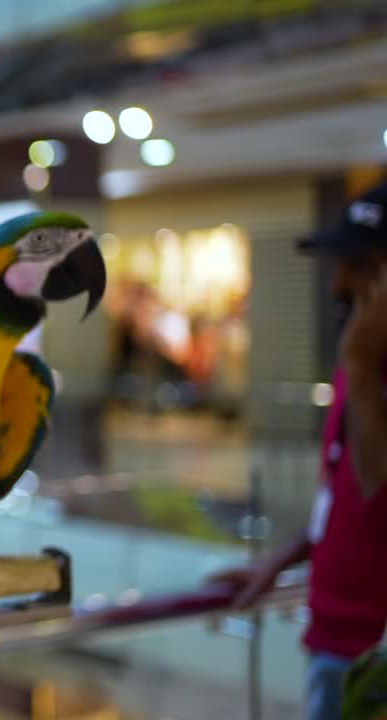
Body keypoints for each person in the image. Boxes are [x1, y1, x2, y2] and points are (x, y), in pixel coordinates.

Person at [207, 180, 387, 719]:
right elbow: (343, 490)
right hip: (333, 637)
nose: (337, 285)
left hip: (371, 652)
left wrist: (358, 365)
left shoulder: (361, 362)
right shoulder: (359, 362)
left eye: (357, 265)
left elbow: (377, 485)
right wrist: (282, 561)